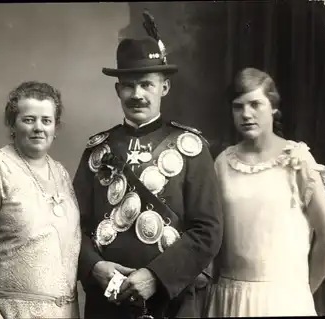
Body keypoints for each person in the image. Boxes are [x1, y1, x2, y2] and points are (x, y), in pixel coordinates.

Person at [73, 13, 223, 319]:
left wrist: (155, 277)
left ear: (164, 88)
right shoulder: (97, 150)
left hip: (173, 304)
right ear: (117, 90)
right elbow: (73, 227)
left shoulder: (191, 149)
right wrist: (94, 267)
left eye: (146, 84)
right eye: (128, 85)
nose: (137, 94)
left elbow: (208, 231)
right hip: (107, 303)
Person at [206, 67, 325, 316]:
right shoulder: (222, 162)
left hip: (283, 300)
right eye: (238, 107)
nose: (246, 114)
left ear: (273, 107)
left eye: (255, 104)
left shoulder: (297, 160)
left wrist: (303, 290)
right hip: (230, 298)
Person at [0, 81, 81, 319]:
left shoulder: (61, 173)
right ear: (12, 124)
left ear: (55, 127)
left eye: (46, 120)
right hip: (11, 313)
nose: (39, 128)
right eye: (29, 119)